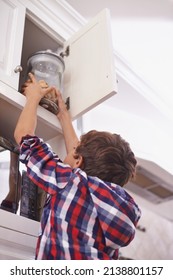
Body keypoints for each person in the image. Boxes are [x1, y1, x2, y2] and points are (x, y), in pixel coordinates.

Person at [14, 72, 141, 260]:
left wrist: (33, 98)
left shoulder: (70, 182)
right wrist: (63, 115)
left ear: (78, 161)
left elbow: (24, 137)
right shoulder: (119, 206)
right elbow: (78, 158)